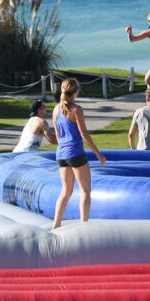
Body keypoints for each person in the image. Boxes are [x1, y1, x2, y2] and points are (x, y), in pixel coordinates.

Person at [52, 78, 106, 229]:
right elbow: (84, 135)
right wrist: (98, 155)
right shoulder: (76, 109)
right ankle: (84, 225)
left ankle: (56, 224)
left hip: (61, 155)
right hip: (75, 153)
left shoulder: (56, 110)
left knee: (66, 191)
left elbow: (57, 135)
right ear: (75, 92)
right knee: (85, 191)